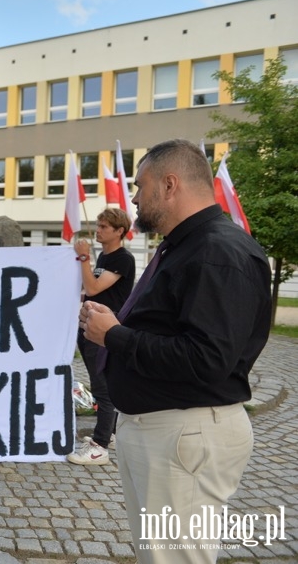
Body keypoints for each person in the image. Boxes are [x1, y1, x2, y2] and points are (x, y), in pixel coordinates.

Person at [80, 139, 272, 562]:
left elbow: (207, 359)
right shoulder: (187, 246)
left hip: (183, 432)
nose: (134, 197)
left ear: (169, 185)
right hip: (164, 430)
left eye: (140, 185)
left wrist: (114, 335)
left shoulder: (215, 251)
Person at [67, 208, 134, 466]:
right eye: (99, 224)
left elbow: (94, 287)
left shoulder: (121, 259)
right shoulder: (105, 259)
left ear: (119, 231)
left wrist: (83, 257)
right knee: (100, 383)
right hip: (89, 326)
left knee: (101, 387)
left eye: (105, 226)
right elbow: (90, 291)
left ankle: (100, 446)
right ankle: (112, 431)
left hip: (103, 330)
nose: (99, 229)